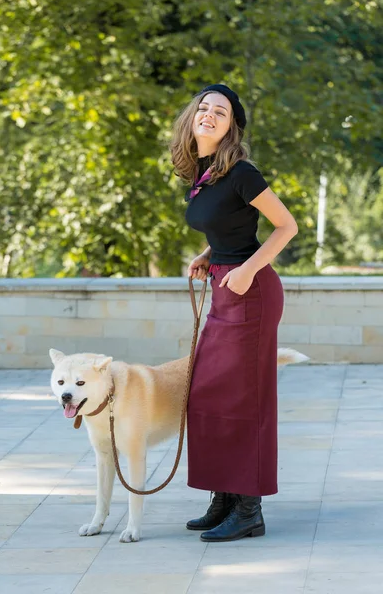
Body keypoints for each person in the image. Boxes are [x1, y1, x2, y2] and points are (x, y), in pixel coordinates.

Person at [170, 83, 298, 543]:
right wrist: (210, 252)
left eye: (220, 111)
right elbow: (231, 224)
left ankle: (249, 509)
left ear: (231, 127)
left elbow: (287, 226)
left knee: (243, 401)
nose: (209, 114)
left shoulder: (242, 172)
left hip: (252, 293)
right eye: (203, 107)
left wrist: (244, 269)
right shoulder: (204, 173)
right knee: (208, 396)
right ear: (192, 117)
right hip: (226, 286)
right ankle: (223, 496)